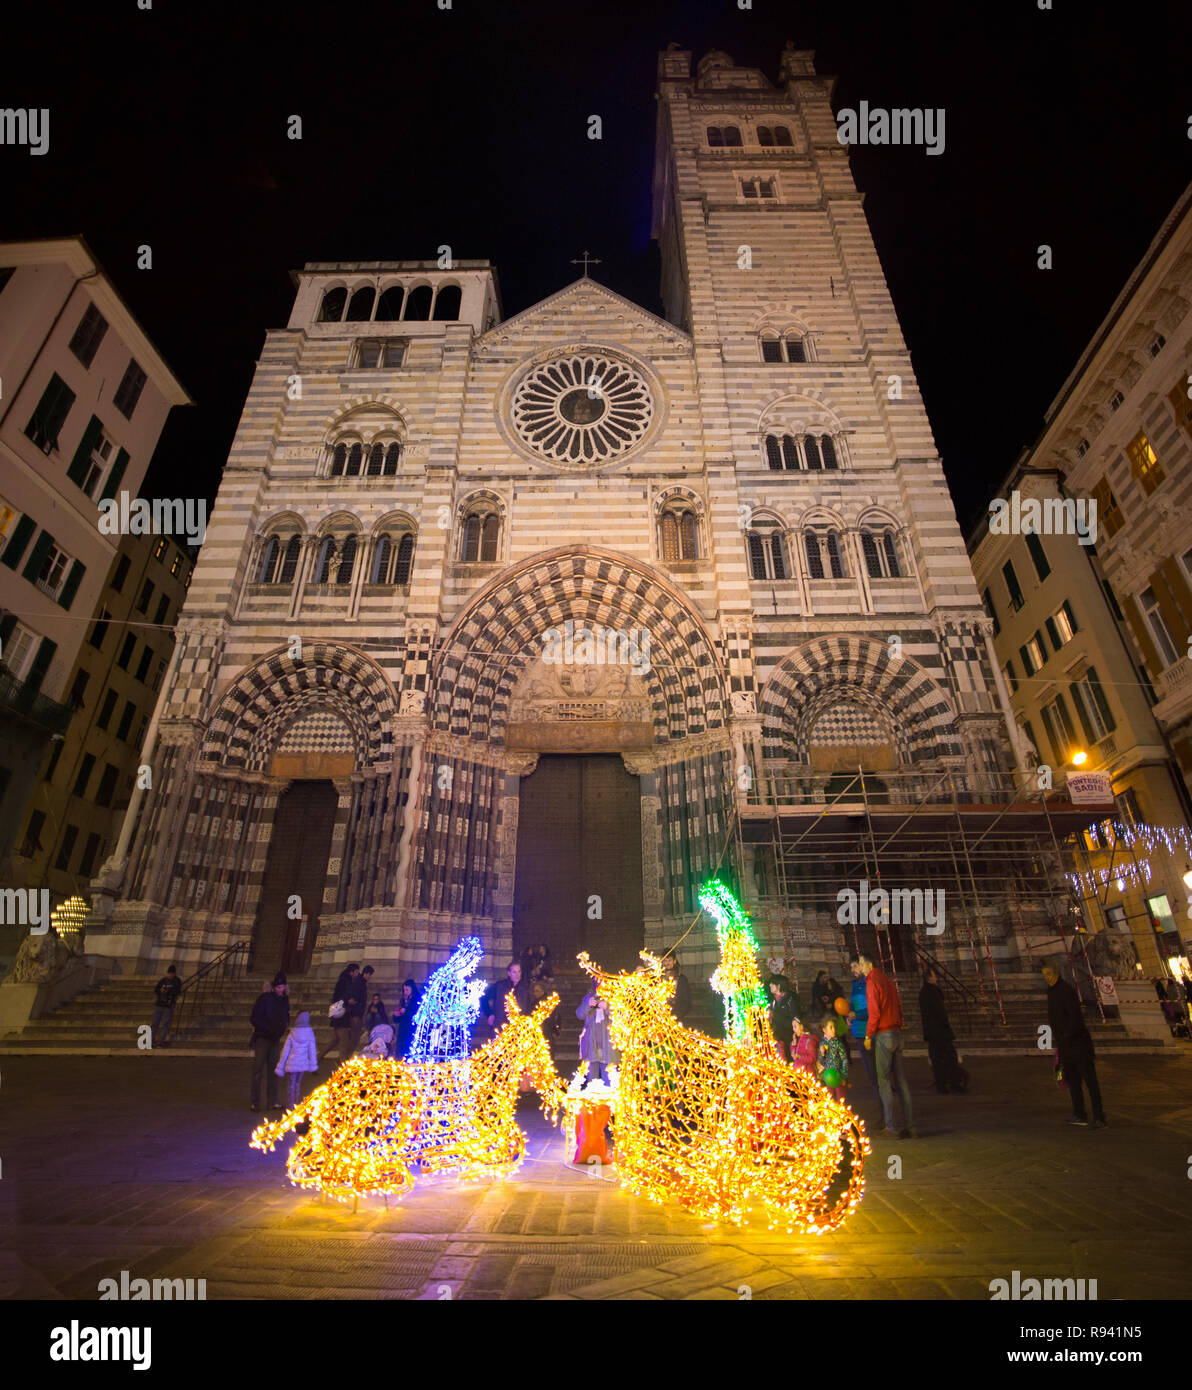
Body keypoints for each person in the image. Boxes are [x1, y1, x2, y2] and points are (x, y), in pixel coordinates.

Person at [856, 952, 917, 1138]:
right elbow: (898, 1006)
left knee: (883, 1081)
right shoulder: (888, 981)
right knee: (901, 1081)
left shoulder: (872, 983)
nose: (859, 968)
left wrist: (868, 1035)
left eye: (860, 964)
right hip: (897, 1032)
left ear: (869, 964)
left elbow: (874, 1012)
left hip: (884, 1034)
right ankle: (911, 1126)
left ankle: (890, 1126)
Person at [1042, 964, 1106, 1128]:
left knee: (1090, 1082)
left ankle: (1099, 1117)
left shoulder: (1066, 990)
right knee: (1073, 1082)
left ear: (1056, 973)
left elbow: (1075, 1017)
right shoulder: (1051, 992)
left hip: (1078, 1044)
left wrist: (1067, 1035)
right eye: (1044, 974)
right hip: (1065, 1046)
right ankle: (1079, 1114)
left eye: (1049, 973)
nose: (1047, 977)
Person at [919, 968, 968, 1094]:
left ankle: (944, 1083)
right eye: (935, 976)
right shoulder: (932, 992)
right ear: (929, 978)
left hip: (932, 1032)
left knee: (939, 1059)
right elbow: (940, 1013)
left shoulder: (924, 992)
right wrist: (946, 1027)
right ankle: (955, 1081)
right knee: (948, 1057)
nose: (937, 978)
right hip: (940, 1032)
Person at [250, 973, 290, 1112]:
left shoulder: (284, 1000)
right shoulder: (265, 999)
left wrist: (283, 1026)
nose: (281, 989)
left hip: (275, 1039)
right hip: (263, 1037)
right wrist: (266, 1028)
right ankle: (255, 1102)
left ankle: (272, 1101)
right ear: (274, 987)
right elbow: (254, 1017)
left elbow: (286, 1015)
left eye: (282, 986)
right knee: (258, 1069)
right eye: (278, 987)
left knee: (274, 1070)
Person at [846, 959, 880, 1102]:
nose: (853, 969)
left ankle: (882, 1100)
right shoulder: (855, 985)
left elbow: (872, 1008)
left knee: (875, 1069)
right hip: (859, 1031)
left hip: (870, 1031)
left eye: (855, 966)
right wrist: (850, 1015)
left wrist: (857, 1015)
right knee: (870, 1069)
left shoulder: (869, 983)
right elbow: (854, 1005)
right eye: (851, 967)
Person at [274, 1010, 318, 1106]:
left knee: (291, 1084)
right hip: (302, 1064)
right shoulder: (310, 1034)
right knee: (298, 1084)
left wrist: (280, 1065)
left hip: (291, 1063)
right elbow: (312, 1050)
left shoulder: (292, 1034)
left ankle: (290, 1104)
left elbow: (285, 1051)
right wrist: (313, 1064)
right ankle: (296, 1104)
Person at [482, 961, 534, 1035]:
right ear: (509, 973)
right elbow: (483, 998)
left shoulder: (524, 989)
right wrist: (489, 1014)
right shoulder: (500, 986)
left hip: (518, 1029)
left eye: (519, 972)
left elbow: (528, 1007)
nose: (517, 975)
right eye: (514, 972)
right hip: (500, 1028)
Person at [577, 987, 614, 1083]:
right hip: (591, 1043)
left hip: (608, 1043)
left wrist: (609, 1007)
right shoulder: (589, 997)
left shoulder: (614, 996)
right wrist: (587, 1005)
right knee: (591, 1078)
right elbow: (579, 1014)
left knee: (609, 1077)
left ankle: (609, 1096)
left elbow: (621, 1015)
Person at [326, 962, 361, 1062]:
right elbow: (338, 996)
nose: (357, 974)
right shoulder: (344, 981)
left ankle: (316, 1060)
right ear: (351, 972)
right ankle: (342, 1066)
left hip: (342, 1014)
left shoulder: (347, 981)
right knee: (344, 1041)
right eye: (356, 972)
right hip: (341, 1015)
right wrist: (347, 1001)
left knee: (335, 1041)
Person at [768, 974, 798, 1062]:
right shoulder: (774, 1000)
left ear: (778, 986)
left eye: (772, 983)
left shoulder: (791, 999)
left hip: (790, 1038)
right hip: (779, 1037)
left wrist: (774, 1015)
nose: (770, 985)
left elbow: (794, 1021)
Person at [150, 964, 182, 1047]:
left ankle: (161, 1041)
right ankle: (151, 1040)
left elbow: (177, 991)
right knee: (155, 1023)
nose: (170, 975)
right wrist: (161, 991)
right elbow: (156, 990)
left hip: (168, 1005)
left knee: (165, 1024)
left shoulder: (177, 981)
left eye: (171, 973)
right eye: (169, 973)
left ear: (174, 974)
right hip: (159, 1004)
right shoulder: (163, 980)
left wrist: (168, 992)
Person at [818, 1016, 849, 1101]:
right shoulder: (822, 1044)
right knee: (829, 1098)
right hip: (828, 1077)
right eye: (830, 1027)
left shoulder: (838, 1043)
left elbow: (844, 1060)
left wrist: (843, 1076)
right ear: (824, 1030)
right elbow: (821, 1062)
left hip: (838, 1075)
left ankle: (841, 1113)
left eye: (834, 1027)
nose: (833, 1030)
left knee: (841, 1098)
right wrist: (822, 1053)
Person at [392, 979, 420, 1059]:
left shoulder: (417, 999)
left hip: (412, 1028)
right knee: (401, 1047)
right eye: (404, 990)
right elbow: (399, 1017)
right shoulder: (403, 1000)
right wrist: (396, 1015)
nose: (405, 992)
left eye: (407, 990)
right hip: (403, 1027)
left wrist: (406, 1011)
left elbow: (415, 1013)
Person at [664, 954, 691, 1025]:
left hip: (676, 1017)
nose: (667, 963)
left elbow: (686, 1001)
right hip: (662, 1018)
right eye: (665, 961)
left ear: (674, 961)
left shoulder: (681, 979)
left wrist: (677, 1015)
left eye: (669, 960)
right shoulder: (660, 978)